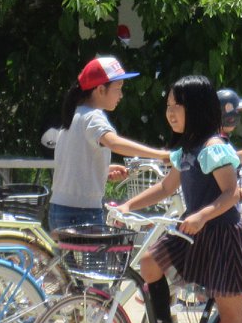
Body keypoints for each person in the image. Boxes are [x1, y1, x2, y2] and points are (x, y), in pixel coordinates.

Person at [117, 76, 242, 323]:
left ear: (196, 108)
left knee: (231, 316)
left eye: (177, 106)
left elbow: (232, 194)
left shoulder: (215, 147)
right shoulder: (185, 150)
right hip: (192, 232)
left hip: (223, 235)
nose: (170, 113)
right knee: (151, 263)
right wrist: (126, 207)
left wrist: (202, 214)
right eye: (167, 107)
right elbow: (166, 187)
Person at [49, 56, 165, 231]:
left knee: (66, 259)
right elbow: (114, 143)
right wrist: (162, 155)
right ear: (101, 90)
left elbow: (73, 162)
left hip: (59, 209)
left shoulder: (76, 115)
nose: (121, 95)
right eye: (118, 89)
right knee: (96, 260)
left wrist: (103, 169)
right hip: (81, 213)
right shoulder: (93, 116)